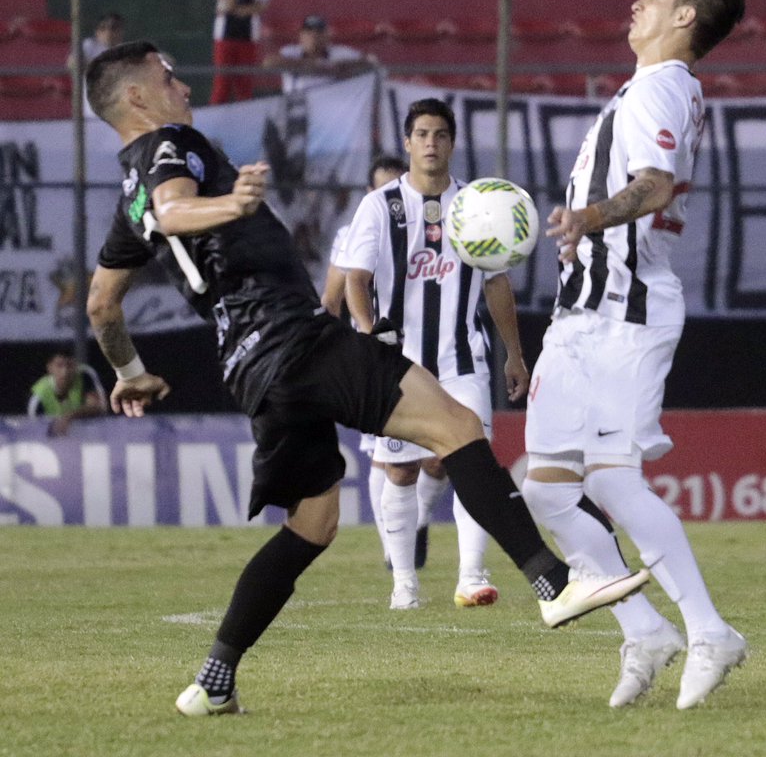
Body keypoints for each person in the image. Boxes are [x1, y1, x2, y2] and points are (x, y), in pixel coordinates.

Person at [82, 41, 650, 717]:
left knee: (313, 524)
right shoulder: (171, 145)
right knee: (457, 427)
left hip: (250, 370)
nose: (179, 83)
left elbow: (100, 304)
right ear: (137, 99)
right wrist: (232, 205)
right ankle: (553, 583)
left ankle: (213, 680)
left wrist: (131, 372)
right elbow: (176, 211)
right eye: (165, 75)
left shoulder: (127, 196)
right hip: (293, 339)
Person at [519, 0, 747, 710]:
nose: (635, 4)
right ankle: (645, 629)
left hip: (628, 306)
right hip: (580, 312)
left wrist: (586, 217)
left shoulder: (661, 85)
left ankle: (711, 629)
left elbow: (654, 185)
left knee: (612, 477)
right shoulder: (646, 86)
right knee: (546, 485)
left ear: (685, 17)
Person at [341, 98, 523, 610]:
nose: (430, 143)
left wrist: (515, 354)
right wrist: (366, 329)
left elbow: (496, 282)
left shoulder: (477, 204)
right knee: (399, 471)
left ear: (452, 142)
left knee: (470, 463)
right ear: (407, 142)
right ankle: (405, 583)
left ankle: (472, 575)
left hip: (463, 359)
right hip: (398, 364)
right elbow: (357, 277)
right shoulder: (380, 205)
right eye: (421, 134)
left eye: (440, 134)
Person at [321, 153, 407, 570]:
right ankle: (392, 547)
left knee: (436, 461)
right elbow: (331, 297)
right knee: (381, 452)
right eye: (382, 188)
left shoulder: (431, 224)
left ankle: (416, 522)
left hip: (433, 348)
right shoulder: (354, 231)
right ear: (371, 193)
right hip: (375, 354)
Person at [211, 0, 269, 104]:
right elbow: (229, 5)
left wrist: (237, 9)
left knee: (244, 84)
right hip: (225, 38)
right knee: (222, 84)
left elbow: (259, 7)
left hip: (247, 38)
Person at [263, 15, 375, 94]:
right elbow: (269, 63)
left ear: (327, 35)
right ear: (301, 35)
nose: (313, 35)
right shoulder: (291, 51)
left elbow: (371, 63)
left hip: (333, 107)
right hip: (299, 108)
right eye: (309, 31)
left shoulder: (341, 52)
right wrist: (313, 66)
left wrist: (339, 67)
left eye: (319, 31)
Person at [26, 347, 106, 437]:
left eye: (69, 365)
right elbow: (34, 428)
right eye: (59, 366)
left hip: (87, 437)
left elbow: (98, 407)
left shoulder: (84, 375)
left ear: (76, 365)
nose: (65, 371)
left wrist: (68, 417)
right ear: (50, 368)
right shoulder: (38, 396)